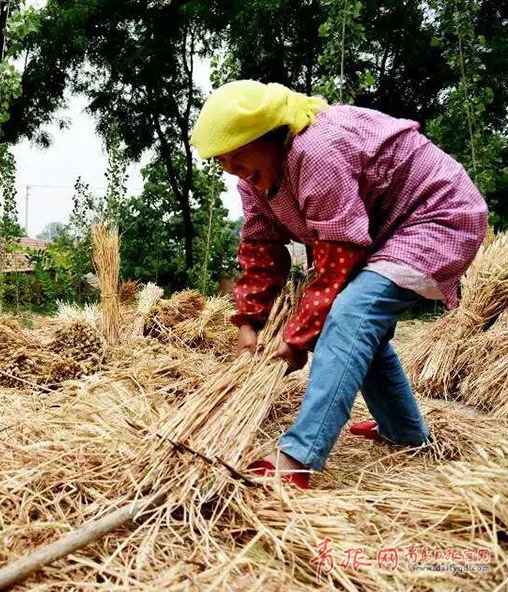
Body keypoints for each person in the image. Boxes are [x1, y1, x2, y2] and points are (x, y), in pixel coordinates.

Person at [190, 80, 488, 488]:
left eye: (240, 156)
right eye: (224, 163)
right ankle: (404, 431)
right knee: (366, 336)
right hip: (387, 233)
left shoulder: (316, 149)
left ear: (271, 134)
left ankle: (299, 455)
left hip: (437, 217)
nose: (234, 170)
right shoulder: (255, 184)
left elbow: (337, 256)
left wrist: (297, 339)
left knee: (348, 317)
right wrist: (249, 323)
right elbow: (260, 248)